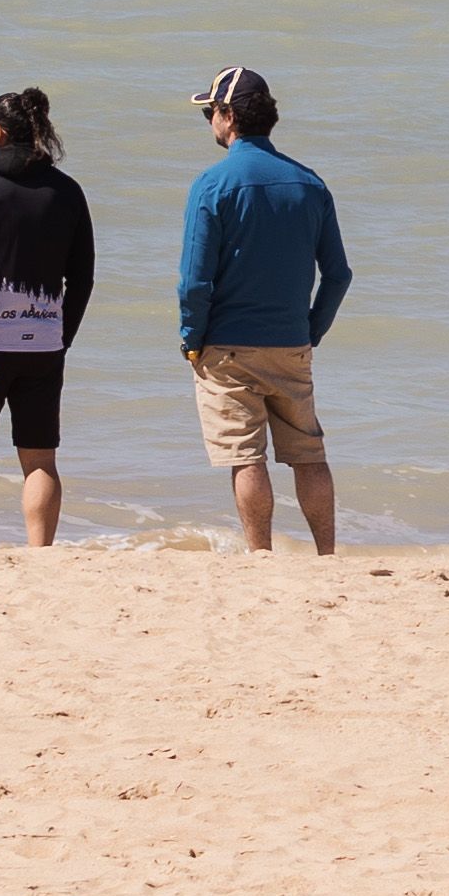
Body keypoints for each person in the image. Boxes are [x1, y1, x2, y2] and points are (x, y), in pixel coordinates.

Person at [176, 65, 352, 554]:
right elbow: (338, 274)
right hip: (291, 342)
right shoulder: (309, 183)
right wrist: (311, 330)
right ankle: (327, 555)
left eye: (210, 111)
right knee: (308, 455)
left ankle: (260, 555)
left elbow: (195, 280)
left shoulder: (212, 185)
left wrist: (192, 339)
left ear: (229, 116)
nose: (209, 120)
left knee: (245, 456)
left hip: (228, 346)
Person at [0, 86, 94, 551]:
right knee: (40, 459)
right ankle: (40, 555)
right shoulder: (66, 191)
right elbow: (82, 277)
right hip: (43, 344)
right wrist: (61, 338)